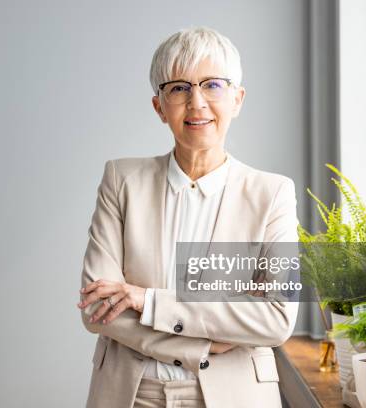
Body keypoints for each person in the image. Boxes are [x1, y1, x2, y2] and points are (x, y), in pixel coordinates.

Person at [77, 27, 299, 408]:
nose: (196, 102)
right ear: (159, 106)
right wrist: (207, 343)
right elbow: (99, 311)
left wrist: (147, 302)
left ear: (237, 99)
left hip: (236, 395)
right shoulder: (121, 179)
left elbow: (275, 318)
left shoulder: (272, 193)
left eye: (212, 85)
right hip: (131, 394)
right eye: (179, 88)